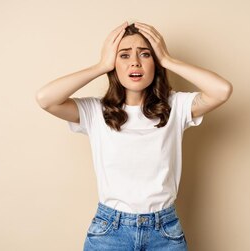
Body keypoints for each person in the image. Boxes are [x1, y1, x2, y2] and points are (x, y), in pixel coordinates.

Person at [34, 21, 233, 251]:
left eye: (145, 54)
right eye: (124, 55)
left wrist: (167, 59)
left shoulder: (175, 107)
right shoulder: (96, 112)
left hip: (164, 231)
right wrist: (101, 65)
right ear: (114, 64)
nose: (135, 62)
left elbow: (222, 91)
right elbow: (45, 98)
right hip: (110, 232)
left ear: (155, 63)